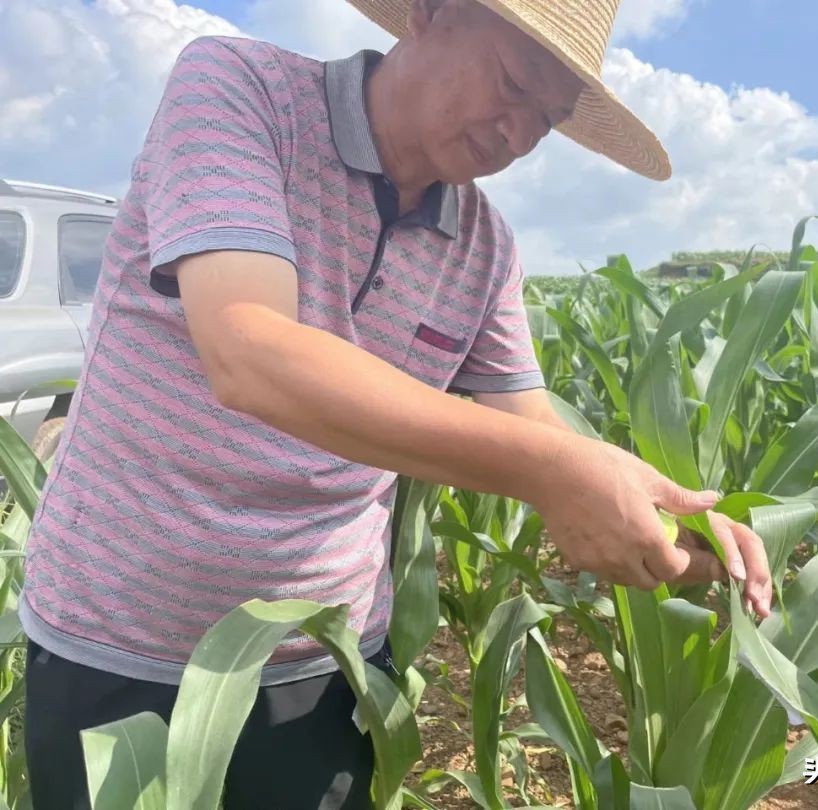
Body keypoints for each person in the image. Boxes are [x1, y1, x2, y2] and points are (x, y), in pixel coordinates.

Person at [17, 0, 774, 807]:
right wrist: (559, 473)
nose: (519, 132)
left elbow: (528, 425)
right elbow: (248, 349)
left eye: (547, 120)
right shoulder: (243, 92)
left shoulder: (484, 245)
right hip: (119, 650)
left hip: (325, 664)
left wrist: (679, 515)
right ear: (428, 13)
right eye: (514, 83)